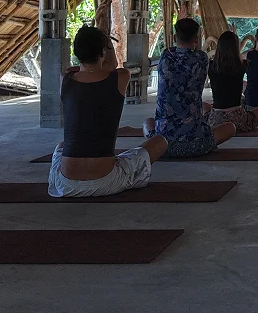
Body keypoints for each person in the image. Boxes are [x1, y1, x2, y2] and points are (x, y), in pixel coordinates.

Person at [49, 26, 168, 198]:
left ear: (77, 53)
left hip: (65, 184)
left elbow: (75, 70)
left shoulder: (66, 79)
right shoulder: (120, 77)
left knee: (61, 146)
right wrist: (104, 36)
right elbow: (111, 67)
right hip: (106, 181)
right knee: (160, 142)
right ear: (103, 52)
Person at [145, 17, 236, 157]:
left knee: (148, 122)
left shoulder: (166, 55)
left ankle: (156, 142)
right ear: (197, 38)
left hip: (162, 143)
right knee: (230, 127)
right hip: (194, 144)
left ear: (175, 37)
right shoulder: (202, 58)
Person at [206, 30, 258, 132]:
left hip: (216, 120)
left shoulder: (210, 66)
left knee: (204, 106)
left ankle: (225, 129)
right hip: (238, 119)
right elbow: (255, 54)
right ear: (236, 47)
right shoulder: (242, 65)